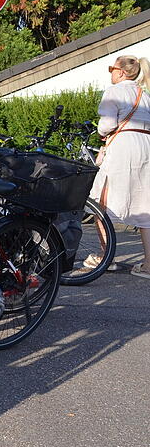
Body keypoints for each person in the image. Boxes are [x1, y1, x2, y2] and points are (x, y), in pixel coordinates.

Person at [89, 54, 150, 279]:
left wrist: (101, 132)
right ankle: (148, 264)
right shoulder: (145, 94)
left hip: (123, 147)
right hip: (146, 146)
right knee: (145, 204)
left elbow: (106, 126)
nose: (111, 73)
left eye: (111, 69)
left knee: (100, 200)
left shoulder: (114, 91)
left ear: (121, 72)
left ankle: (106, 257)